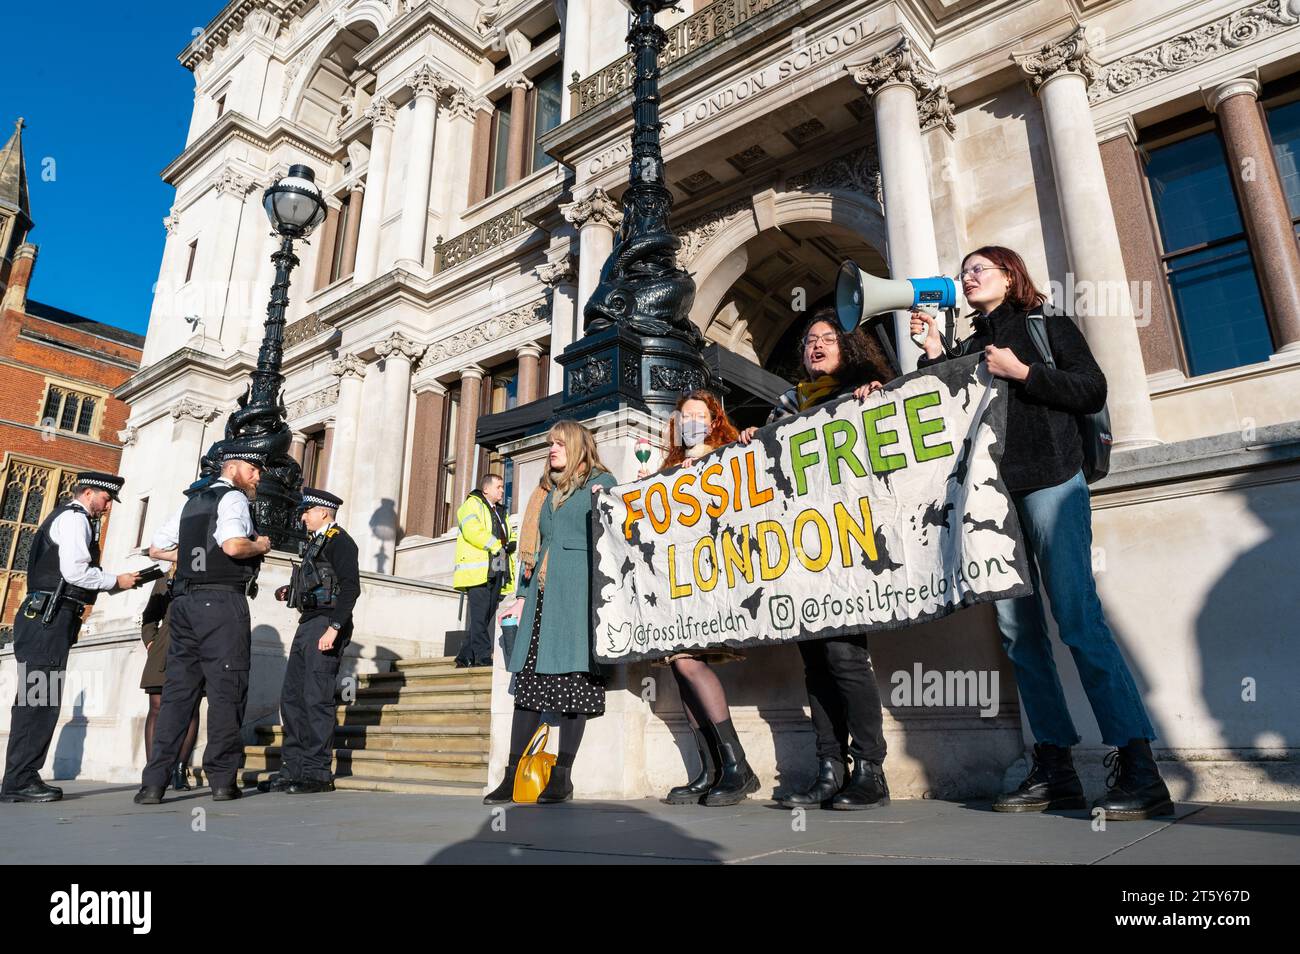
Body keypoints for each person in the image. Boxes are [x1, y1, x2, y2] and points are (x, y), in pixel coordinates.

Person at [914, 245, 1172, 820]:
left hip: (1054, 479)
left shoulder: (1046, 323)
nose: (969, 276)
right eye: (964, 273)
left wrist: (1024, 372)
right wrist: (935, 355)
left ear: (1011, 275)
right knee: (1017, 635)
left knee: (1078, 619)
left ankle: (1139, 769)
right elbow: (944, 417)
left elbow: (1092, 388)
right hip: (993, 503)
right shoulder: (968, 349)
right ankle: (1054, 770)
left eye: (980, 268)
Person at [739, 309, 893, 810]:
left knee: (845, 657)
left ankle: (870, 769)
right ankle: (830, 768)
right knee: (815, 660)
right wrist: (748, 445)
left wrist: (877, 401)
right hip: (802, 553)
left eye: (827, 339)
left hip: (850, 547)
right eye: (809, 341)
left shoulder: (867, 391)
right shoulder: (785, 408)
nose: (817, 346)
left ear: (847, 347)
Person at [483, 420, 615, 805]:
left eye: (559, 443)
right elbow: (537, 547)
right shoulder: (546, 490)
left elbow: (615, 539)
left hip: (577, 595)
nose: (551, 449)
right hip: (541, 595)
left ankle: (562, 777)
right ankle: (512, 775)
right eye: (550, 443)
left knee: (575, 683)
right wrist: (522, 594)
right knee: (527, 688)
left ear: (576, 446)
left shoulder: (601, 483)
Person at [641, 390, 758, 807]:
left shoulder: (726, 452)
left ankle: (738, 766)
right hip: (677, 581)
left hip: (710, 575)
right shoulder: (668, 466)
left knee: (690, 662)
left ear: (713, 421)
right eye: (684, 415)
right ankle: (710, 770)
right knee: (678, 667)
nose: (690, 421)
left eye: (698, 415)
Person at [135, 451, 272, 804]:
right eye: (253, 469)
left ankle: (153, 784)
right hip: (221, 603)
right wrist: (260, 544)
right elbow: (233, 545)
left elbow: (155, 549)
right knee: (227, 691)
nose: (257, 477)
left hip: (183, 606)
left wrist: (188, 558)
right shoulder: (234, 498)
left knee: (178, 697)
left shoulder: (192, 502)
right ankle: (223, 781)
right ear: (234, 468)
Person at [1, 473, 141, 803]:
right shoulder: (75, 519)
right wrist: (115, 581)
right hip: (49, 618)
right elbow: (76, 572)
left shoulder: (68, 516)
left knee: (36, 698)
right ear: (88, 492)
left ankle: (19, 777)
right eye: (106, 499)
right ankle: (20, 779)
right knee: (39, 700)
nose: (107, 507)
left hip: (44, 617)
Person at [261, 487, 361, 795]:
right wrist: (288, 592)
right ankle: (293, 768)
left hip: (326, 623)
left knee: (316, 698)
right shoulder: (315, 543)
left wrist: (334, 628)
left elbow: (350, 588)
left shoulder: (340, 541)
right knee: (293, 698)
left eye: (307, 511)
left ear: (323, 512)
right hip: (308, 623)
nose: (303, 517)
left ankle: (318, 773)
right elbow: (316, 583)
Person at [139, 565, 201, 791]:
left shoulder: (208, 570)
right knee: (156, 707)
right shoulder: (166, 576)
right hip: (164, 647)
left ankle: (179, 771)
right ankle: (153, 772)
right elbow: (150, 616)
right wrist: (151, 641)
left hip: (197, 645)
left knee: (191, 709)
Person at [452, 473, 516, 669]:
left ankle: (464, 656)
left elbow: (508, 534)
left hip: (496, 569)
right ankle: (482, 655)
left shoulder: (500, 512)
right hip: (478, 571)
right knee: (480, 617)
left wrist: (511, 542)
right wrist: (497, 545)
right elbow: (473, 531)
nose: (502, 490)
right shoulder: (471, 505)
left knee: (484, 616)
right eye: (499, 486)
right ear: (486, 489)